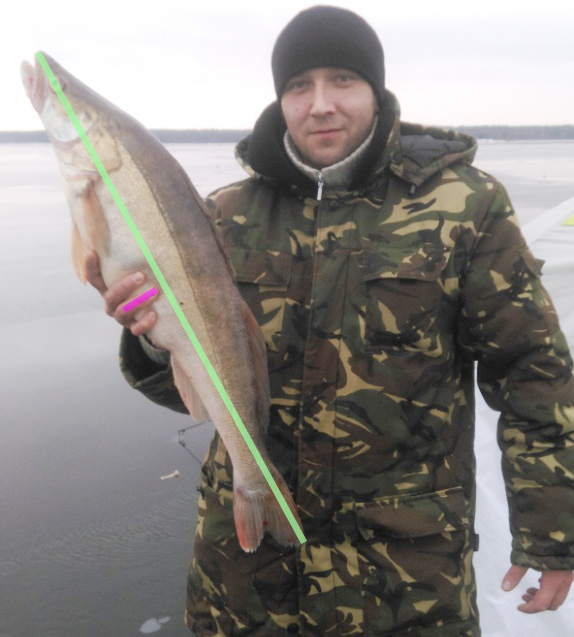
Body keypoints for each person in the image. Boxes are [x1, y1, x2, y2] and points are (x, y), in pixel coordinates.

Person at [85, 6, 574, 636]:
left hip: (403, 585)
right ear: (280, 100)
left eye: (342, 79)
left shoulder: (466, 206)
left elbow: (534, 372)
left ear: (376, 90)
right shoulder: (222, 217)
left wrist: (553, 534)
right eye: (298, 85)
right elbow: (190, 389)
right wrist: (150, 338)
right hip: (244, 578)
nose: (320, 104)